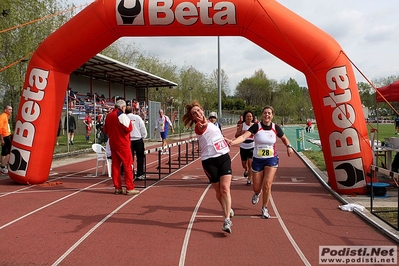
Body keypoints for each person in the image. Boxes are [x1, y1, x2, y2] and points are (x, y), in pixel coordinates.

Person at [227, 106, 294, 219]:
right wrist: (232, 142)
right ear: (262, 115)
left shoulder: (275, 127)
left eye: (269, 113)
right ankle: (257, 193)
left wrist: (289, 146)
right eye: (265, 113)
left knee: (267, 184)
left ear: (272, 115)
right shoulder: (256, 127)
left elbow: (284, 138)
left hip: (271, 159)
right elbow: (243, 136)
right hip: (257, 159)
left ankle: (264, 208)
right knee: (257, 187)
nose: (267, 115)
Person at [182, 101, 234, 234]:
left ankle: (227, 219)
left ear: (202, 110)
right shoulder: (199, 126)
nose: (197, 113)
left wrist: (225, 140)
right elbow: (202, 128)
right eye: (194, 113)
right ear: (193, 117)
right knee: (218, 192)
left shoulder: (213, 124)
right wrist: (203, 124)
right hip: (209, 161)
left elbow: (216, 135)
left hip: (223, 157)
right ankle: (225, 206)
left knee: (225, 188)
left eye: (198, 110)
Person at [103, 99, 140, 196]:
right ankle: (129, 188)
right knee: (128, 165)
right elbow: (129, 128)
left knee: (115, 166)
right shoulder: (121, 115)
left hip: (113, 144)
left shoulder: (109, 116)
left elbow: (105, 130)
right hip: (123, 144)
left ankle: (117, 188)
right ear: (123, 107)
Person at [126, 106, 147, 180]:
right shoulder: (137, 118)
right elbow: (142, 127)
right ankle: (140, 173)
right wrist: (143, 137)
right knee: (140, 157)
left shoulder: (124, 118)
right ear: (133, 111)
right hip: (138, 139)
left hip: (128, 140)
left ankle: (130, 174)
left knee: (129, 158)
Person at [235, 110, 255, 186]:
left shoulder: (254, 126)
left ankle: (249, 179)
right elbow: (236, 135)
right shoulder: (242, 125)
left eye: (250, 116)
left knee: (250, 163)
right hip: (243, 146)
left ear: (252, 118)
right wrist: (243, 133)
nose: (249, 118)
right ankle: (245, 169)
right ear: (245, 117)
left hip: (251, 146)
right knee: (244, 164)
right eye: (247, 116)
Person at [0, 105, 12, 174]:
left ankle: (2, 166)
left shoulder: (6, 116)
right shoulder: (3, 116)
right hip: (5, 136)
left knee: (4, 152)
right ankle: (3, 166)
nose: (11, 111)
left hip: (6, 135)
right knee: (10, 151)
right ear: (5, 110)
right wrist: (2, 139)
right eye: (9, 109)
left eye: (11, 109)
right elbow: (0, 128)